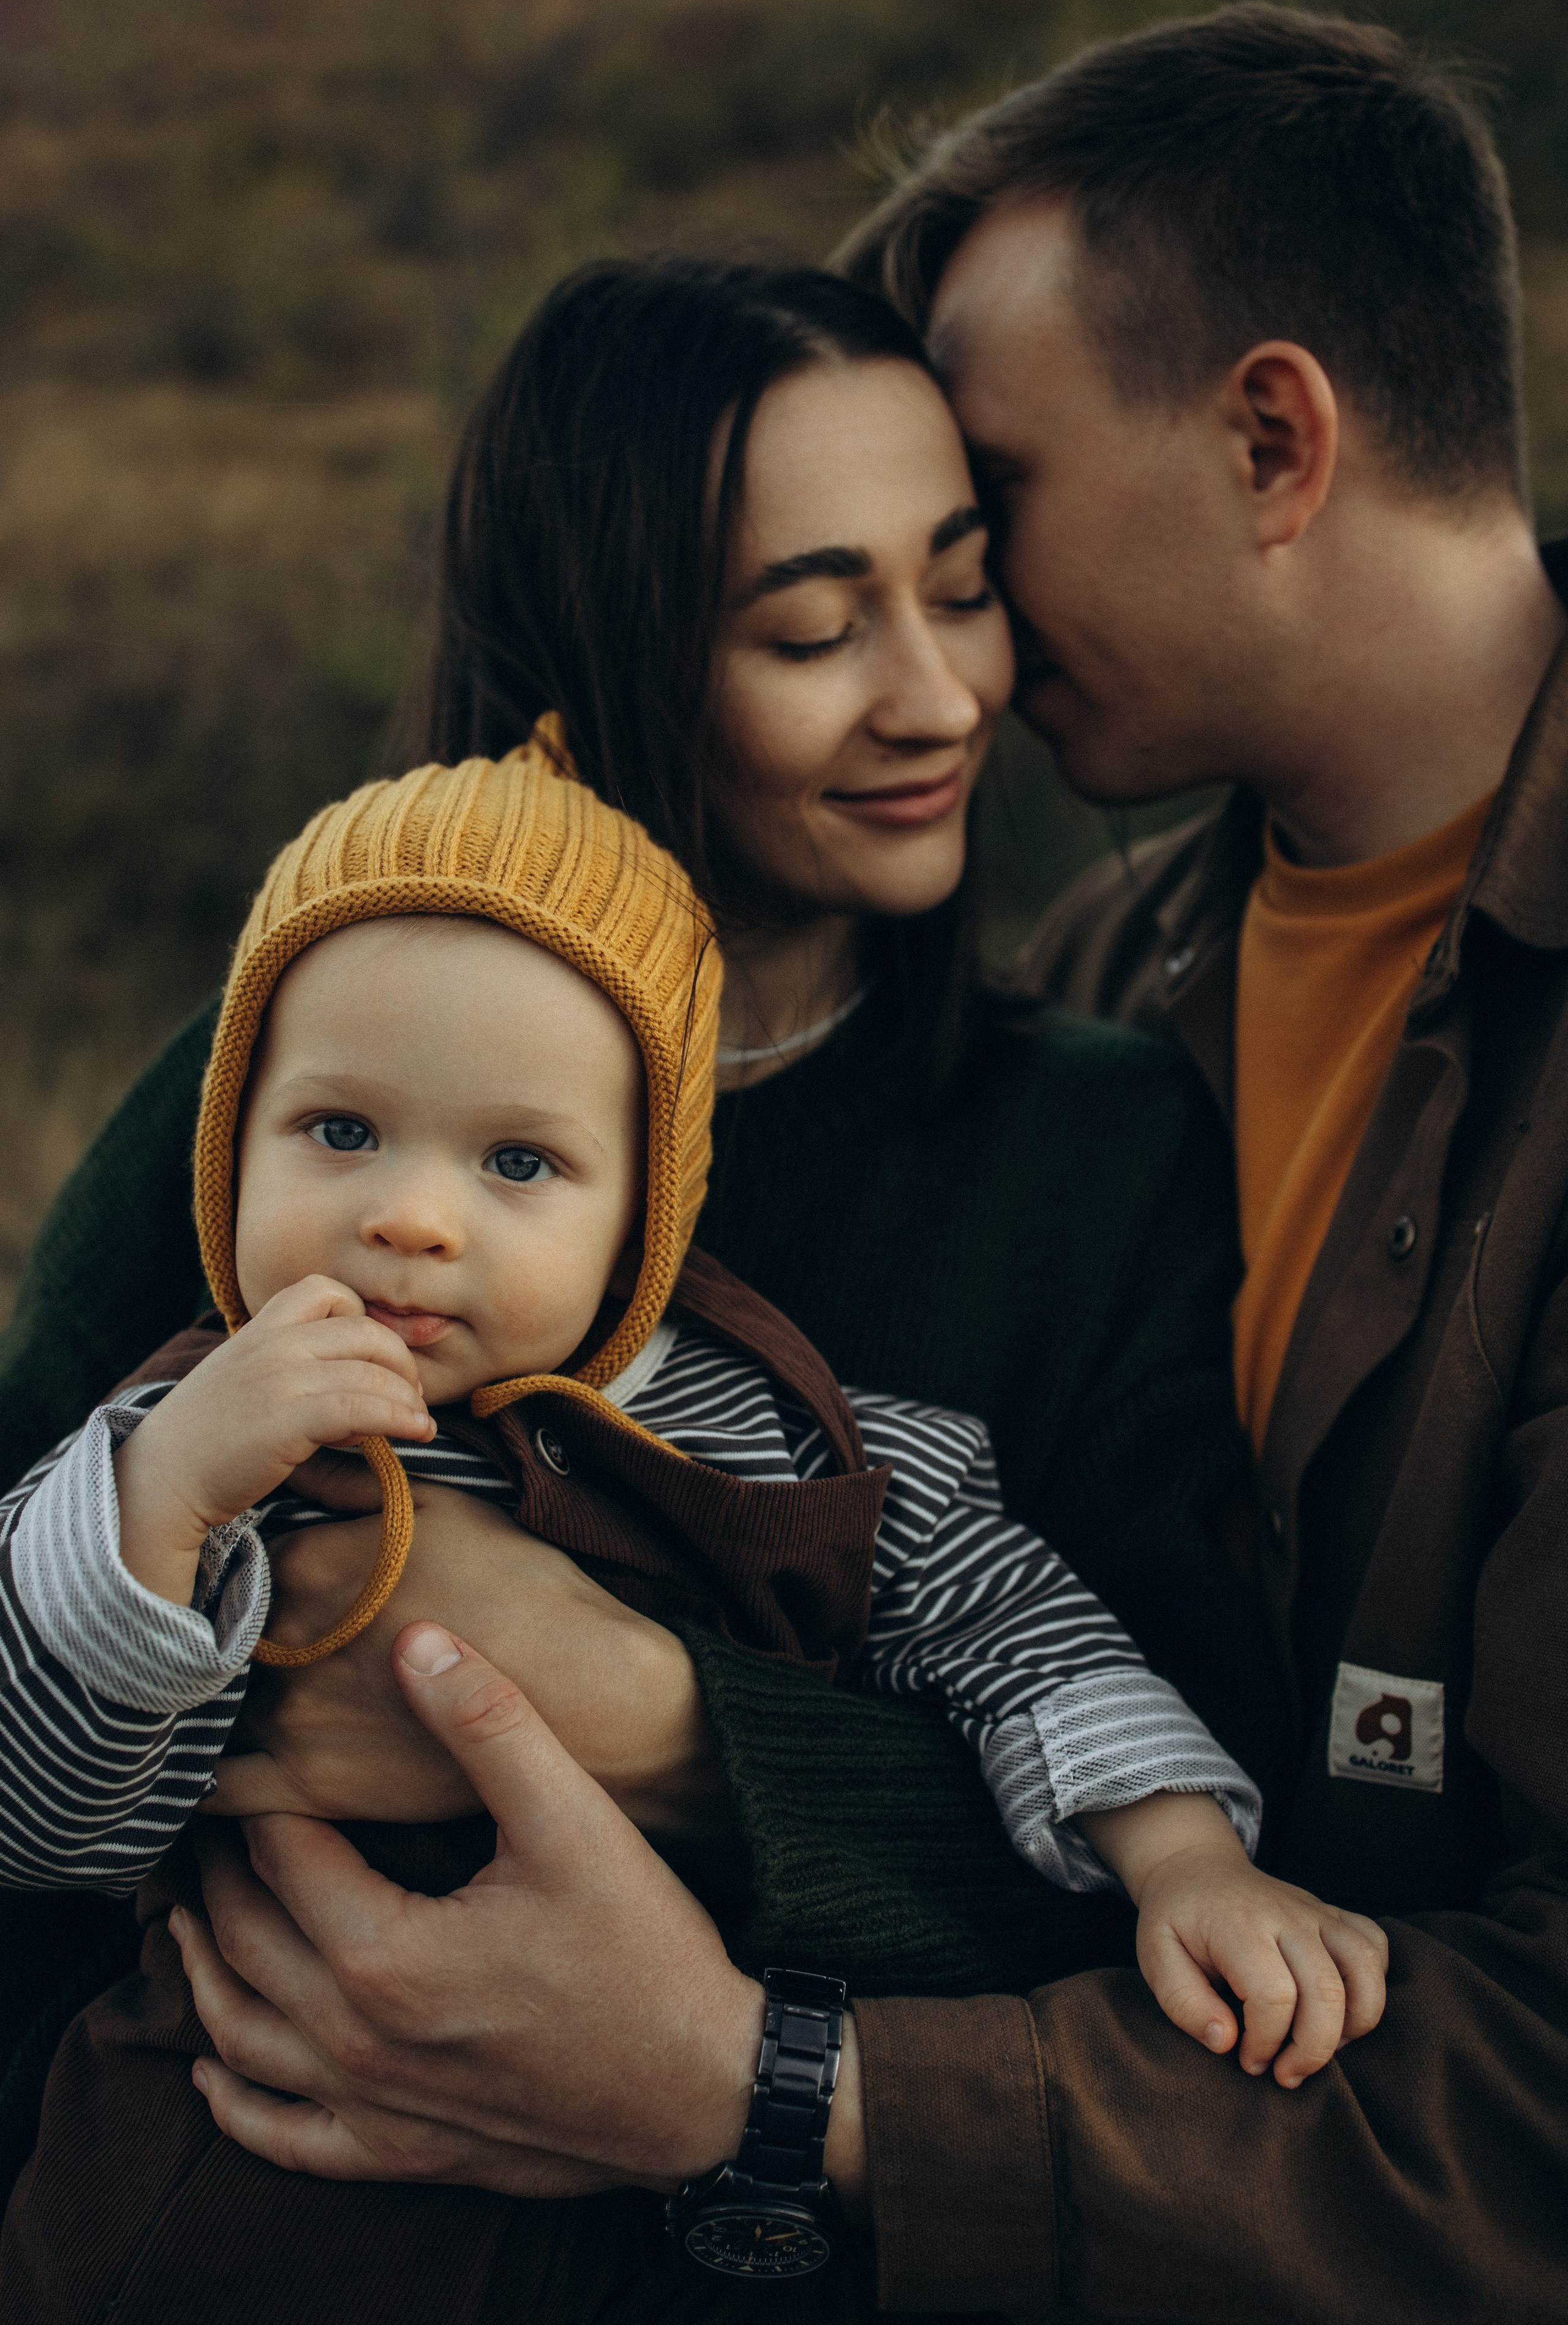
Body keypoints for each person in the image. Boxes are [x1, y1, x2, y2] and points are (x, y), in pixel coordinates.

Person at [138, 3, 1568, 2324]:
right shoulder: (1128, 966)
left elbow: (1250, 1855)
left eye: (986, 522)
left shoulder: (1086, 1110)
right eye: (818, 615)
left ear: (1274, 438)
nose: (949, 676)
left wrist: (736, 1976)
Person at [0, 260, 1276, 2128]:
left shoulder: (1093, 1153)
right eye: (812, 630)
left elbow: (1194, 1866)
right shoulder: (281, 1109)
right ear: (609, 654)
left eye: (960, 587)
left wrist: (664, 1726)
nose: (940, 697)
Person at [1, 743, 1378, 2320]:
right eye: (337, 1132)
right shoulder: (170, 1446)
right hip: (224, 2194)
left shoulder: (781, 1444)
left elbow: (1023, 1641)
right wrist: (160, 1509)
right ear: (226, 1138)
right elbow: (41, 1834)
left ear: (644, 1208)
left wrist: (1185, 1860)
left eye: (518, 1163)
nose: (412, 1216)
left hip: (629, 2213)